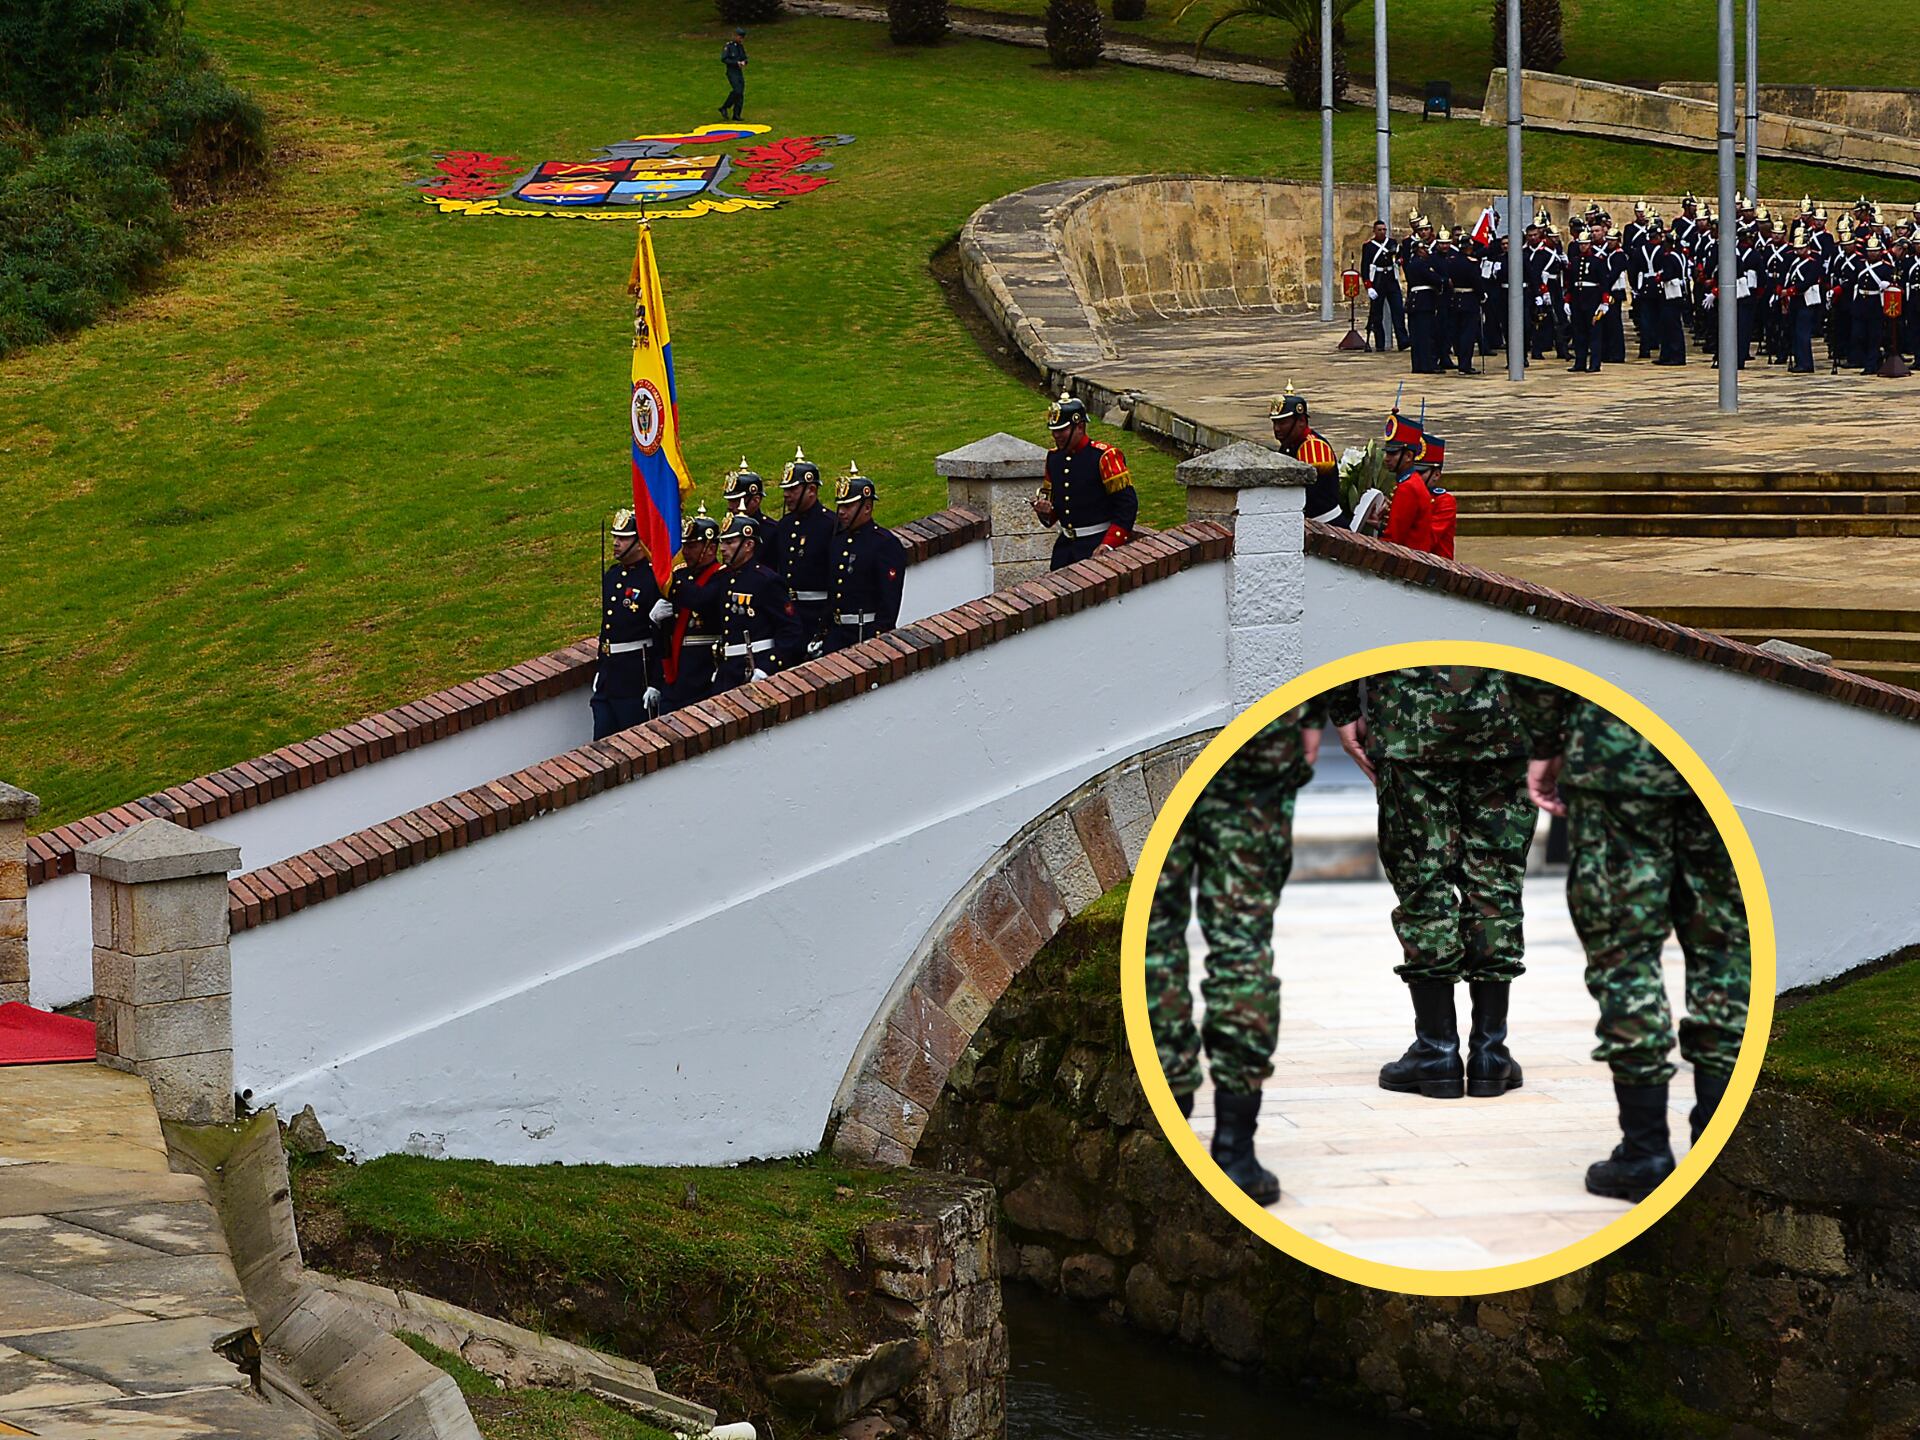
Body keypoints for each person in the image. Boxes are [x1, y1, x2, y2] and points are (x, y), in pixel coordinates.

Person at [1520, 685, 1750, 1203]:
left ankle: (1644, 1152)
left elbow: (1542, 668)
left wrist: (1546, 741)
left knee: (1624, 951)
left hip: (1618, 758)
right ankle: (1722, 1147)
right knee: (1729, 948)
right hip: (1726, 754)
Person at [1146, 702, 1325, 1203]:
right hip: (1256, 741)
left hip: (1150, 744)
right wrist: (1317, 715)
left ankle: (1169, 1104)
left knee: (1152, 937)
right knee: (1242, 942)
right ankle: (1235, 1149)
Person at [1330, 665, 1535, 1102]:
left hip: (1411, 719)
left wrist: (1343, 710)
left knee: (1424, 884)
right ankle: (1490, 1054)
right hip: (1510, 719)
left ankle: (1437, 1052)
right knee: (1496, 883)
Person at [1032, 393, 1135, 569]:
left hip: (1097, 546)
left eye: (1062, 430)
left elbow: (1127, 506)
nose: (1056, 435)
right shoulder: (1054, 458)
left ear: (1080, 427)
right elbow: (1057, 509)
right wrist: (1045, 511)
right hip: (1064, 551)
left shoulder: (1105, 457)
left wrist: (1109, 543)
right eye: (1054, 430)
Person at [591, 507, 665, 740]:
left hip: (635, 678)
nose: (616, 543)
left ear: (640, 542)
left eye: (623, 538)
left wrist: (656, 681)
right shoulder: (612, 576)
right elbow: (607, 627)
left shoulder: (652, 578)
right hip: (609, 676)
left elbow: (662, 636)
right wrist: (601, 666)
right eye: (615, 537)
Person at [712, 512, 804, 689]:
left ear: (748, 545)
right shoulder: (724, 577)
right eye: (722, 542)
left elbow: (791, 630)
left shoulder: (765, 580)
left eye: (730, 542)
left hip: (754, 664)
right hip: (729, 669)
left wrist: (767, 667)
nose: (722, 548)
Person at [823, 464, 906, 654]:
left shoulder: (884, 544)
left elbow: (889, 602)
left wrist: (876, 639)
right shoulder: (838, 540)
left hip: (864, 633)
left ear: (867, 507)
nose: (841, 512)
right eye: (840, 505)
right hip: (837, 635)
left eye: (848, 506)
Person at [656, 508, 727, 713]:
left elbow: (701, 600)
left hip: (702, 669)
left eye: (692, 546)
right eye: (685, 545)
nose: (686, 551)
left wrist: (667, 579)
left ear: (710, 548)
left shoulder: (721, 577)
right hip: (675, 671)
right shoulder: (680, 574)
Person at [775, 447, 835, 650]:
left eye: (793, 489)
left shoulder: (829, 525)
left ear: (812, 490)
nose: (786, 495)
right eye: (786, 489)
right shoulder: (784, 525)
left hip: (816, 614)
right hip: (789, 616)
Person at [1269, 382, 1341, 523]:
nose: (1277, 429)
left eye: (1283, 423)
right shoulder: (1289, 444)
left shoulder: (1314, 447)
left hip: (1325, 525)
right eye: (1275, 423)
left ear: (1301, 421)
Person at [1381, 432, 1456, 559]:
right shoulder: (1410, 488)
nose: (1416, 476)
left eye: (1421, 472)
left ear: (1436, 475)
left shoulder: (1445, 501)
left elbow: (1427, 539)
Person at [1362, 219, 1408, 354]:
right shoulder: (1369, 246)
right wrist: (1368, 286)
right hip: (1378, 280)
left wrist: (1399, 260)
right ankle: (1380, 343)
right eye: (1379, 230)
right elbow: (1365, 267)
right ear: (1374, 231)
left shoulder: (1392, 243)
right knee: (1377, 315)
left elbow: (1400, 256)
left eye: (1384, 230)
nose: (1382, 232)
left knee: (1398, 311)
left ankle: (1403, 340)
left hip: (1391, 279)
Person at [1785, 227, 1825, 373]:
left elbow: (1808, 281)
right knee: (1795, 332)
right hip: (1795, 301)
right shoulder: (1794, 262)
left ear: (1807, 248)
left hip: (1806, 300)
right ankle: (1799, 360)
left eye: (1801, 249)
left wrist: (1792, 290)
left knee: (1803, 333)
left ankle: (1806, 363)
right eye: (1797, 249)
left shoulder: (1813, 262)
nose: (1798, 251)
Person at [719, 27, 748, 121]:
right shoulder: (729, 46)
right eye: (740, 37)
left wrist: (744, 62)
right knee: (737, 90)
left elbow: (745, 57)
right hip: (732, 71)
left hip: (739, 71)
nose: (741, 39)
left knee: (740, 92)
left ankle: (737, 114)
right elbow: (724, 59)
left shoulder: (740, 47)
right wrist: (736, 63)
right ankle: (725, 107)